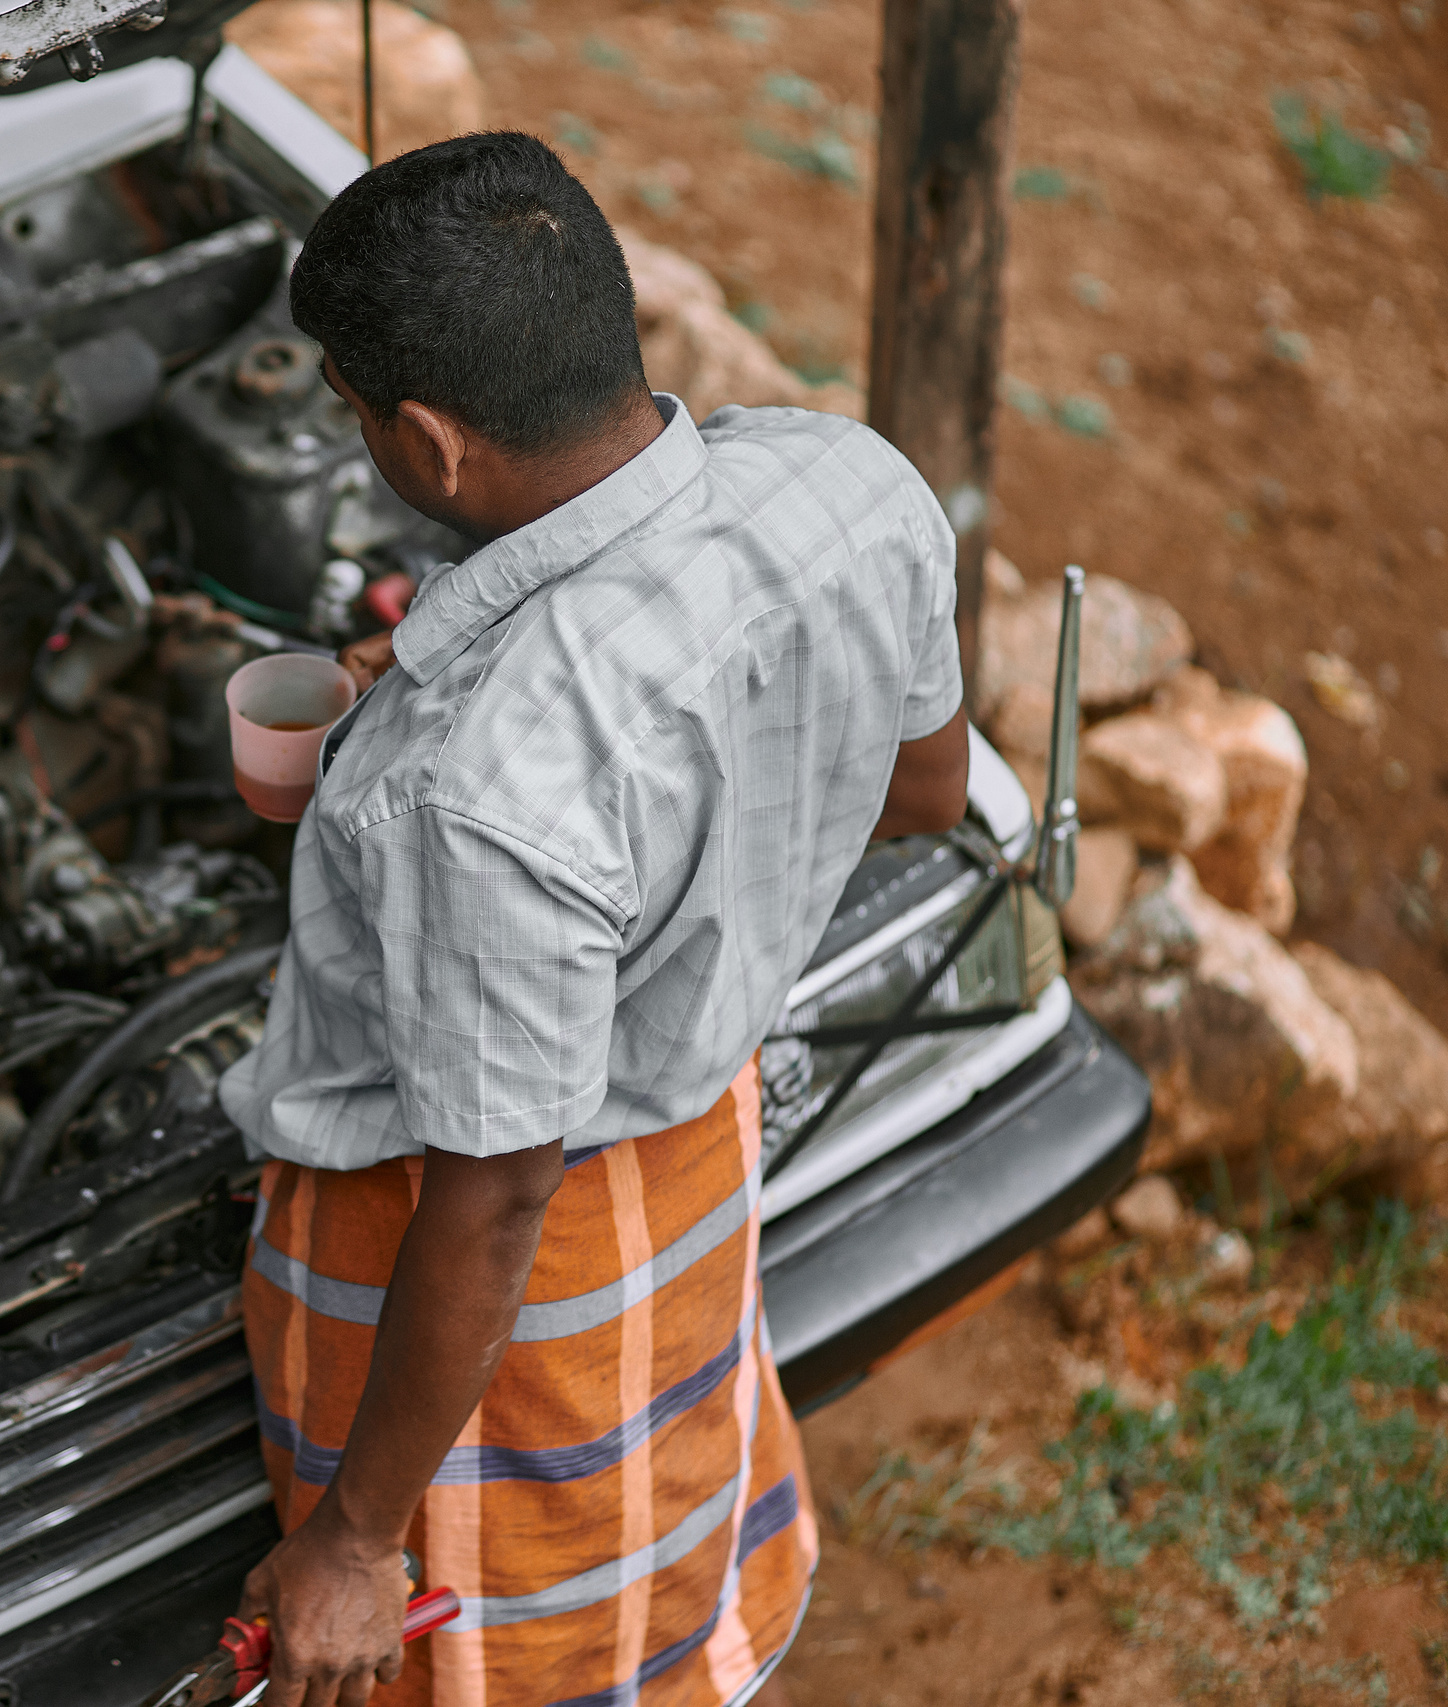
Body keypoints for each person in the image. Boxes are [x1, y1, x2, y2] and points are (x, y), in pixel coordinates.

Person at [214, 132, 972, 1707]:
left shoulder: (473, 790)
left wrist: (356, 1539)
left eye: (356, 411)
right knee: (658, 1554)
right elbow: (924, 792)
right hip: (695, 1161)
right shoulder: (850, 484)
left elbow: (494, 1196)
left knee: (504, 1653)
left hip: (477, 1273)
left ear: (429, 443)